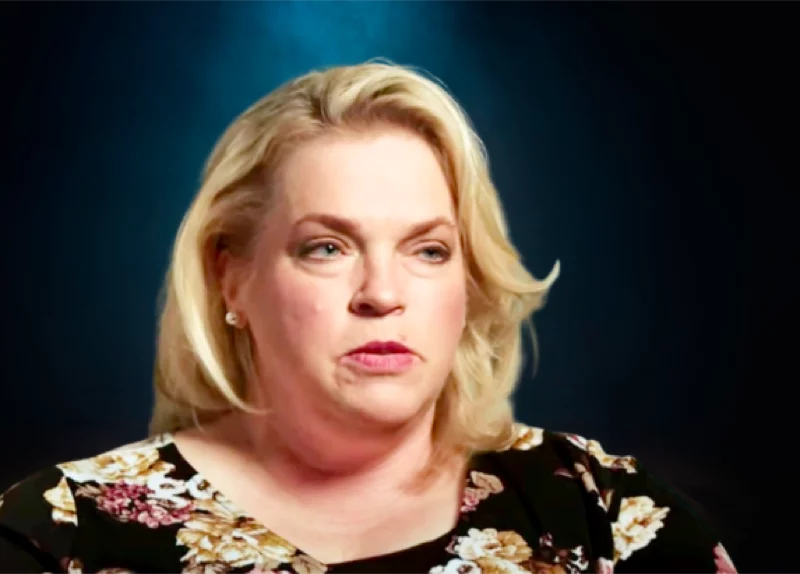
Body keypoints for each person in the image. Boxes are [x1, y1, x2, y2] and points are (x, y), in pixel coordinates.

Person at [0, 61, 738, 574]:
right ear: (232, 277)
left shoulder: (604, 511)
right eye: (327, 247)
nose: (382, 292)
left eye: (428, 250)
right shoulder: (59, 533)